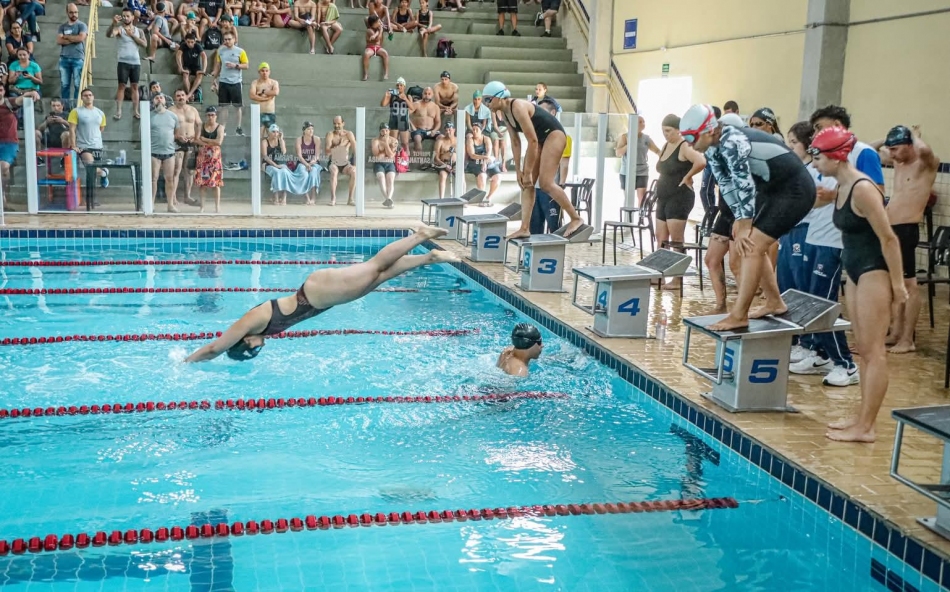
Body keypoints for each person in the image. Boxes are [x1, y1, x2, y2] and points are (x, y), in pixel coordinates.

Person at [184, 224, 460, 362]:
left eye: (253, 349)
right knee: (379, 277)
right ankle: (429, 258)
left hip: (315, 292)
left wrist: (186, 363)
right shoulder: (261, 331)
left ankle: (419, 236)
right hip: (320, 299)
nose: (260, 348)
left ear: (245, 341)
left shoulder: (252, 322)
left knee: (374, 267)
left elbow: (214, 348)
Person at [808, 126, 906, 443]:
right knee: (863, 349)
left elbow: (889, 238)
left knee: (875, 351)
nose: (814, 162)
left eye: (817, 156)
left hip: (874, 270)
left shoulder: (863, 188)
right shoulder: (842, 186)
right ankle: (861, 418)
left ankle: (867, 427)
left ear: (836, 156)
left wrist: (898, 284)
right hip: (855, 270)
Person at [679, 103, 814, 331]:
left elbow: (744, 186)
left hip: (795, 189)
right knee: (749, 240)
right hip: (772, 189)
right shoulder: (712, 148)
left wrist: (744, 225)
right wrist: (737, 222)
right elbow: (727, 185)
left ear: (709, 130)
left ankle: (739, 314)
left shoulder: (733, 141)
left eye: (692, 137)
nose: (690, 144)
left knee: (751, 245)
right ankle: (774, 302)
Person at [782, 121, 859, 386]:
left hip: (834, 245)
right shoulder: (829, 177)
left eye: (819, 157)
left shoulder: (858, 182)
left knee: (825, 306)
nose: (814, 163)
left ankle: (846, 364)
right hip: (816, 238)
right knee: (813, 301)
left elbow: (884, 234)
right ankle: (821, 353)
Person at [482, 80, 587, 240]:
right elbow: (516, 142)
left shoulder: (517, 107)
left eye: (488, 100)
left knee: (545, 183)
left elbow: (531, 141)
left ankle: (575, 218)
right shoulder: (504, 113)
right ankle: (524, 228)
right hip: (540, 139)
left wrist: (528, 170)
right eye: (484, 100)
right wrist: (519, 170)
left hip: (554, 135)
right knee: (526, 183)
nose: (486, 104)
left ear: (500, 97)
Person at [870, 125, 940, 354]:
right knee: (895, 285)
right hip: (890, 229)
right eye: (890, 149)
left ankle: (908, 339)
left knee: (909, 285)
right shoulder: (898, 162)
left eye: (897, 149)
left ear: (910, 146)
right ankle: (896, 332)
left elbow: (926, 150)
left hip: (907, 230)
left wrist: (912, 133)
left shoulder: (926, 164)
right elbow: (869, 150)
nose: (892, 154)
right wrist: (888, 139)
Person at [653, 114, 705, 289]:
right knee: (660, 237)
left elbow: (701, 161)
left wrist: (688, 176)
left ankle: (677, 279)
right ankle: (659, 275)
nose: (665, 134)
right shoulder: (666, 145)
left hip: (680, 197)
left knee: (676, 240)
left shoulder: (685, 146)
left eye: (668, 131)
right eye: (663, 131)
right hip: (663, 197)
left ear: (678, 130)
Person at [108, 8, 147, 121]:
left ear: (132, 17)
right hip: (123, 62)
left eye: (127, 16)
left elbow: (144, 44)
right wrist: (113, 24)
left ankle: (135, 111)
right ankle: (119, 110)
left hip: (135, 62)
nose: (125, 18)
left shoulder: (139, 31)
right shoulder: (119, 29)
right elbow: (110, 35)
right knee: (122, 86)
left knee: (135, 86)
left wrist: (132, 36)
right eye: (123, 16)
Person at [68, 88, 110, 189]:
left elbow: (101, 128)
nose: (88, 97)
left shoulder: (100, 113)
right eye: (85, 95)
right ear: (82, 98)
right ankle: (104, 173)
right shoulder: (76, 112)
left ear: (93, 97)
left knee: (94, 171)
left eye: (90, 95)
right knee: (91, 169)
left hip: (97, 145)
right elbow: (72, 130)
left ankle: (103, 175)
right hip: (83, 146)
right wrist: (73, 145)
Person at [615, 116, 659, 206]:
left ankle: (640, 218)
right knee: (628, 197)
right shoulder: (625, 137)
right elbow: (618, 153)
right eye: (640, 122)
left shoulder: (646, 138)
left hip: (642, 170)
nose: (643, 124)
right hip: (627, 171)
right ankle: (628, 217)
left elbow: (657, 151)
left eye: (644, 122)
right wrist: (629, 144)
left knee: (642, 197)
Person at [211, 32, 248, 136]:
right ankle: (223, 128)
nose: (227, 41)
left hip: (236, 82)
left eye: (229, 39)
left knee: (238, 106)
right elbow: (218, 66)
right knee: (223, 106)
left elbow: (246, 65)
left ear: (234, 39)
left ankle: (238, 128)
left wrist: (235, 65)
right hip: (223, 81)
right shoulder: (220, 51)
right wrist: (214, 79)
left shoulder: (240, 51)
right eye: (225, 39)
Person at [170, 88, 202, 207]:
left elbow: (199, 124)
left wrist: (196, 138)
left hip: (191, 142)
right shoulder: (171, 111)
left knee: (189, 171)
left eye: (183, 95)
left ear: (186, 97)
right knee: (176, 170)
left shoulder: (192, 110)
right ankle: (173, 197)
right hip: (178, 142)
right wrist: (176, 136)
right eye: (178, 96)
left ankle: (187, 196)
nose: (181, 97)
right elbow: (167, 128)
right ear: (175, 98)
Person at [150, 93, 181, 212]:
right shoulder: (149, 116)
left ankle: (170, 204)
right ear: (153, 101)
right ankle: (151, 203)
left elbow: (176, 133)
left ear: (165, 101)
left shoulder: (173, 116)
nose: (159, 100)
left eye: (161, 97)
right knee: (153, 178)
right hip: (154, 152)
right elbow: (143, 134)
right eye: (156, 98)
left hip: (169, 152)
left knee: (170, 179)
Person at [0, 85, 28, 209]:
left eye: (0, 89)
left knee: (4, 167)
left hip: (9, 142)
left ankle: (3, 196)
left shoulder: (9, 102)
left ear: (4, 91)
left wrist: (31, 93)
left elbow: (21, 99)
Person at [194, 105, 224, 212]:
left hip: (215, 158)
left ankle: (217, 206)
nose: (210, 117)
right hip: (203, 158)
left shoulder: (220, 127)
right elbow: (196, 140)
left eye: (212, 115)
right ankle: (202, 207)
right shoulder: (201, 126)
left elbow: (219, 142)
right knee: (202, 184)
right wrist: (209, 143)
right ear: (206, 116)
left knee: (216, 183)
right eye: (208, 115)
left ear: (216, 116)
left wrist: (204, 139)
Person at [56, 4, 87, 102]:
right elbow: (59, 41)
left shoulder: (82, 25)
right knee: (64, 85)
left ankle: (76, 108)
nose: (74, 14)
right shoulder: (62, 27)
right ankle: (65, 108)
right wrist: (74, 38)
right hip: (64, 58)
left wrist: (67, 37)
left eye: (76, 12)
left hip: (78, 58)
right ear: (67, 13)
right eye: (71, 12)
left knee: (78, 85)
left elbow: (81, 38)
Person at [465, 121, 501, 206]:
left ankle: (488, 197)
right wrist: (484, 158)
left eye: (476, 130)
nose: (474, 131)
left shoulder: (486, 138)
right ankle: (481, 198)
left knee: (498, 176)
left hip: (486, 162)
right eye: (473, 130)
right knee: (482, 175)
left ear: (481, 131)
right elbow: (472, 155)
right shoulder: (470, 140)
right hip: (474, 162)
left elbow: (489, 151)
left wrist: (485, 162)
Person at [325, 115, 356, 206]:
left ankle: (350, 199)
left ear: (343, 123)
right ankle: (333, 198)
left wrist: (355, 164)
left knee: (354, 172)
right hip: (333, 161)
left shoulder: (349, 134)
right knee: (334, 171)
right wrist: (341, 146)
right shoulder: (330, 134)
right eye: (335, 124)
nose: (336, 126)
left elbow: (355, 149)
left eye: (339, 123)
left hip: (345, 162)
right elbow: (327, 152)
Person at [262, 124, 292, 206]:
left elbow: (284, 152)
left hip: (280, 163)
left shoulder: (280, 140)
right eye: (273, 132)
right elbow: (265, 156)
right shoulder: (265, 141)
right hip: (268, 164)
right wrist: (275, 166)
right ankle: (276, 197)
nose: (275, 134)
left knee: (285, 172)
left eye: (277, 132)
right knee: (276, 172)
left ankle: (284, 197)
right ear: (269, 133)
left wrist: (281, 139)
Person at [294, 121, 322, 205]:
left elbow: (317, 155)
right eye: (309, 129)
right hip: (302, 163)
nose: (311, 131)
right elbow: (299, 155)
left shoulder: (316, 139)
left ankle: (313, 197)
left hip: (314, 162)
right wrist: (306, 164)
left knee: (313, 173)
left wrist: (311, 163)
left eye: (312, 129)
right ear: (304, 130)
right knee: (303, 174)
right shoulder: (299, 140)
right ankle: (306, 197)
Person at [408, 86, 441, 156]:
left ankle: (435, 159)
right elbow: (405, 115)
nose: (427, 96)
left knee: (442, 138)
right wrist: (412, 126)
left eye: (429, 94)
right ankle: (420, 163)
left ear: (432, 95)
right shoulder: (416, 104)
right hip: (418, 130)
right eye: (425, 93)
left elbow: (438, 122)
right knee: (417, 138)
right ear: (422, 94)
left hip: (431, 131)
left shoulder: (435, 107)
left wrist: (435, 130)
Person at [371, 122, 397, 208]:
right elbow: (376, 154)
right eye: (382, 131)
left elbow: (390, 155)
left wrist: (385, 144)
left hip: (390, 164)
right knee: (381, 177)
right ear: (379, 132)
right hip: (379, 164)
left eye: (386, 130)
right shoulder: (375, 141)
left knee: (390, 179)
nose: (384, 133)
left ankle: (388, 199)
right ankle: (388, 199)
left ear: (389, 131)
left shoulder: (394, 141)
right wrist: (385, 150)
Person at [250, 62, 279, 135]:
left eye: (266, 71)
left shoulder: (274, 82)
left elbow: (276, 92)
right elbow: (252, 95)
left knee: (271, 136)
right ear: (259, 72)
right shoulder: (255, 82)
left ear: (269, 72)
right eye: (262, 71)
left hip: (270, 113)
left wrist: (263, 92)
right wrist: (265, 98)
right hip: (259, 113)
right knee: (258, 136)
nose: (264, 73)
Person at [176, 33, 207, 103]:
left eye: (192, 42)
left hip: (196, 66)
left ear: (195, 41)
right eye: (188, 42)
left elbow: (204, 56)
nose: (190, 44)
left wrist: (204, 70)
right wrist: (181, 68)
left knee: (200, 75)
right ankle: (190, 94)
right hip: (187, 66)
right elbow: (178, 55)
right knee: (185, 75)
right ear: (185, 41)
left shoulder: (198, 46)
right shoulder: (183, 45)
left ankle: (189, 95)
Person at [382, 77, 410, 152]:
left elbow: (412, 107)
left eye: (401, 85)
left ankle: (406, 162)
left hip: (403, 121)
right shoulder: (391, 96)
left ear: (404, 86)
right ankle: (393, 161)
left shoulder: (408, 96)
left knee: (405, 143)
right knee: (393, 143)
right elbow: (383, 104)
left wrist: (405, 99)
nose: (399, 87)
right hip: (394, 120)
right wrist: (386, 95)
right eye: (397, 85)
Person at [432, 121, 456, 199]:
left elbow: (463, 156)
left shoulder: (458, 140)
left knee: (461, 176)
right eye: (446, 130)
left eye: (450, 130)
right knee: (442, 175)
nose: (448, 132)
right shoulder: (440, 141)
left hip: (456, 164)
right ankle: (441, 199)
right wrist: (445, 165)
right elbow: (436, 158)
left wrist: (457, 166)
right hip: (443, 163)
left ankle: (463, 200)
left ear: (454, 130)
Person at [362, 15, 388, 82]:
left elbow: (378, 38)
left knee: (385, 53)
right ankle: (366, 74)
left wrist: (379, 31)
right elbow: (377, 39)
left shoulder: (378, 29)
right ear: (374, 24)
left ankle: (386, 73)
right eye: (378, 22)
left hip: (378, 47)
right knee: (366, 54)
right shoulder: (369, 30)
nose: (380, 23)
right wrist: (380, 31)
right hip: (370, 47)